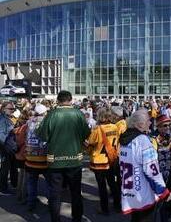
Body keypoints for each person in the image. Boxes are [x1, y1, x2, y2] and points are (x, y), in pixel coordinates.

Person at [36, 90, 91, 222]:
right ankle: (77, 219)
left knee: (55, 194)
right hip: (74, 160)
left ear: (59, 100)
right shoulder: (78, 114)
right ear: (71, 100)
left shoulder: (52, 114)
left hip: (55, 161)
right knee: (75, 193)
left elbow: (42, 135)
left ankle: (55, 220)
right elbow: (86, 133)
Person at [119, 109, 170, 222]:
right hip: (143, 193)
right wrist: (162, 191)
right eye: (148, 121)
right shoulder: (142, 141)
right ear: (140, 124)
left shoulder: (124, 139)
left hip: (130, 191)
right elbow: (151, 170)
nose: (151, 123)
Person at [85, 107, 122, 215]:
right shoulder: (115, 127)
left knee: (102, 186)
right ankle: (117, 205)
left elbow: (91, 143)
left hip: (99, 161)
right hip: (112, 159)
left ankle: (104, 208)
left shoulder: (97, 129)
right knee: (113, 184)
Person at [151, 115, 171, 222]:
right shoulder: (153, 138)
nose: (167, 127)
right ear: (158, 126)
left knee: (168, 200)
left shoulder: (170, 136)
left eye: (169, 125)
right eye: (164, 125)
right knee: (157, 201)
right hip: (158, 174)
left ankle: (165, 218)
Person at [25, 103, 50, 211]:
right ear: (44, 112)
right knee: (49, 182)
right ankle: (51, 203)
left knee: (32, 182)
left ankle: (31, 204)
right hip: (44, 158)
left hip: (30, 157)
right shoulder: (47, 122)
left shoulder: (29, 122)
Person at [0, 101, 18, 193]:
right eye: (10, 109)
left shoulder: (8, 118)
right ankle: (3, 189)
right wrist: (7, 147)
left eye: (13, 109)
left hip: (10, 147)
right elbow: (1, 136)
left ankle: (14, 185)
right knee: (5, 169)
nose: (12, 110)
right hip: (6, 148)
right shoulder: (2, 119)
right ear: (3, 109)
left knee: (12, 167)